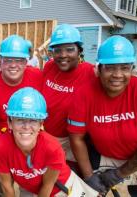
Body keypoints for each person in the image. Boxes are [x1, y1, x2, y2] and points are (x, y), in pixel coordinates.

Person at [68, 35, 137, 197]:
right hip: (104, 156)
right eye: (110, 67)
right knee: (86, 190)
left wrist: (119, 174)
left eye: (124, 67)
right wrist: (89, 177)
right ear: (98, 69)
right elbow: (77, 138)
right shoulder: (84, 93)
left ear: (132, 69)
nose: (117, 74)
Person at [0, 87, 99, 197]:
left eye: (33, 120)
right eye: (19, 119)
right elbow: (7, 187)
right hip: (31, 187)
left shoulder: (52, 148)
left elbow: (47, 186)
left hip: (62, 188)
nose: (26, 127)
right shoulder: (0, 147)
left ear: (41, 124)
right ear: (9, 122)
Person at [40, 24, 95, 163]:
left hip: (73, 142)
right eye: (57, 50)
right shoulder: (49, 66)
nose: (63, 55)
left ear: (79, 50)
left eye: (70, 49)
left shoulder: (91, 73)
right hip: (46, 137)